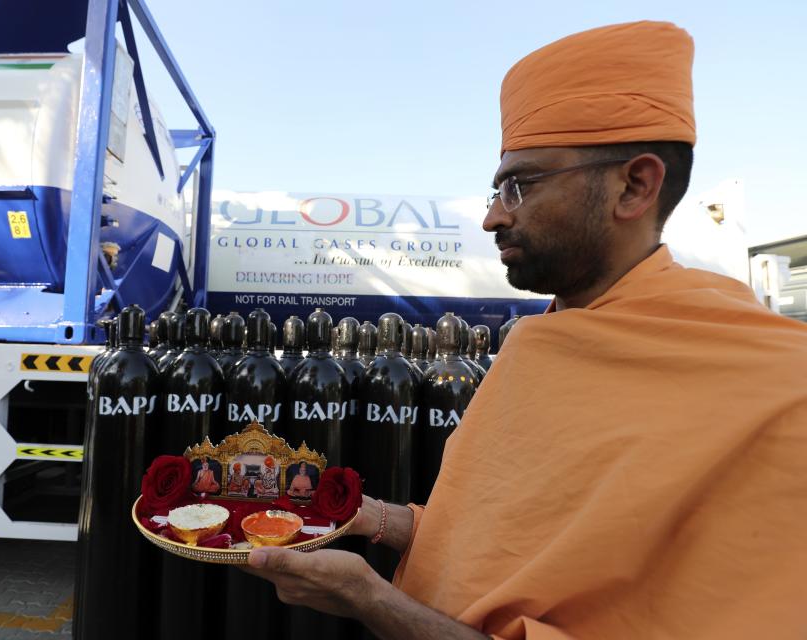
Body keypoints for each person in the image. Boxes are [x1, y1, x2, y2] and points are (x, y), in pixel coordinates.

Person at [243, 21, 807, 639]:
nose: (492, 216)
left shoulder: (778, 390)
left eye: (520, 184)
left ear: (634, 185)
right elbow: (500, 547)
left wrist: (371, 600)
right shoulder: (540, 341)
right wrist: (364, 517)